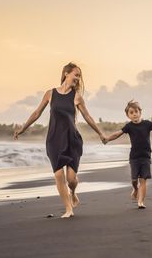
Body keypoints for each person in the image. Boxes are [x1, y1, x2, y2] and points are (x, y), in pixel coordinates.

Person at [14, 62, 106, 218]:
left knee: (71, 179)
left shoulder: (76, 96)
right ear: (66, 74)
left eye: (79, 76)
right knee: (58, 175)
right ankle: (68, 208)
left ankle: (73, 191)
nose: (78, 78)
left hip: (72, 139)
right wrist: (23, 129)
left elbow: (87, 116)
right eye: (76, 74)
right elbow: (37, 113)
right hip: (54, 140)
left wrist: (100, 133)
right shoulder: (50, 94)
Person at [103, 100, 152, 209]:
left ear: (140, 112)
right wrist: (107, 139)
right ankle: (135, 189)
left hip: (146, 156)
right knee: (134, 180)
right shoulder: (129, 126)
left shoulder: (147, 124)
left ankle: (140, 202)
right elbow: (117, 134)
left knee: (143, 180)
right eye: (131, 112)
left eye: (136, 111)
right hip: (134, 157)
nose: (134, 114)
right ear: (128, 115)